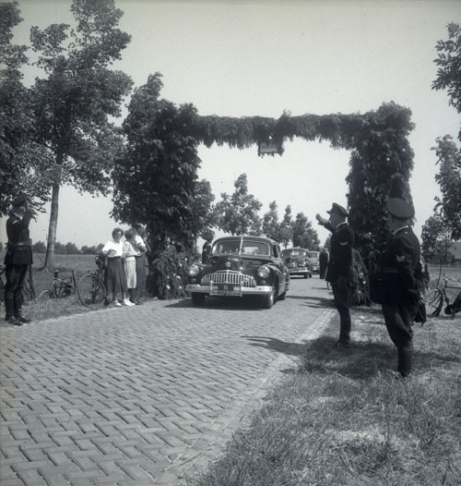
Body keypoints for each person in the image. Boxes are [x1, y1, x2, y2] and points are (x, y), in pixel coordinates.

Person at [377, 197, 424, 377]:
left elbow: (405, 272)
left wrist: (414, 293)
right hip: (399, 293)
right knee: (402, 333)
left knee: (402, 334)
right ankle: (404, 371)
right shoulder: (409, 237)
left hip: (398, 294)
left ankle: (404, 374)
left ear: (393, 219)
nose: (388, 221)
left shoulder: (401, 240)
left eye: (389, 218)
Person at [316, 203, 355, 347]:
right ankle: (343, 338)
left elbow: (346, 258)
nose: (330, 218)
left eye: (331, 216)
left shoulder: (345, 231)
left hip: (341, 276)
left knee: (343, 308)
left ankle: (345, 340)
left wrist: (342, 277)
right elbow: (334, 230)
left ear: (338, 216)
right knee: (340, 306)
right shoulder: (341, 230)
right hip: (337, 276)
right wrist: (324, 222)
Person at [3, 194, 35, 325]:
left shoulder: (20, 220)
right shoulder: (12, 221)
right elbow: (23, 226)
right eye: (25, 205)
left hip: (24, 257)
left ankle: (18, 314)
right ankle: (9, 315)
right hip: (15, 258)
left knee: (19, 287)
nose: (26, 208)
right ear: (20, 207)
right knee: (11, 287)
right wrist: (28, 214)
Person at [102, 228, 133, 307]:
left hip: (120, 262)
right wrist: (107, 252)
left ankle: (124, 299)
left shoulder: (122, 243)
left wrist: (125, 254)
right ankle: (115, 300)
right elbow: (104, 250)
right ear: (113, 235)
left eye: (119, 235)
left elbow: (124, 252)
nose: (118, 236)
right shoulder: (110, 242)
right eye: (116, 234)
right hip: (112, 262)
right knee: (114, 280)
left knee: (121, 281)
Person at [132, 224, 149, 304]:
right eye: (140, 228)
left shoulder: (139, 237)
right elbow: (142, 248)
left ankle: (138, 298)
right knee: (138, 278)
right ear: (137, 228)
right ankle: (135, 298)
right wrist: (145, 249)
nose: (142, 229)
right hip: (139, 257)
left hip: (142, 257)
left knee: (141, 278)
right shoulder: (136, 237)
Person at [122, 229, 138, 305]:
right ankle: (124, 299)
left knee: (131, 280)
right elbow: (124, 254)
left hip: (132, 261)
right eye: (134, 236)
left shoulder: (131, 243)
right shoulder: (126, 243)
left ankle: (128, 299)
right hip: (128, 261)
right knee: (127, 279)